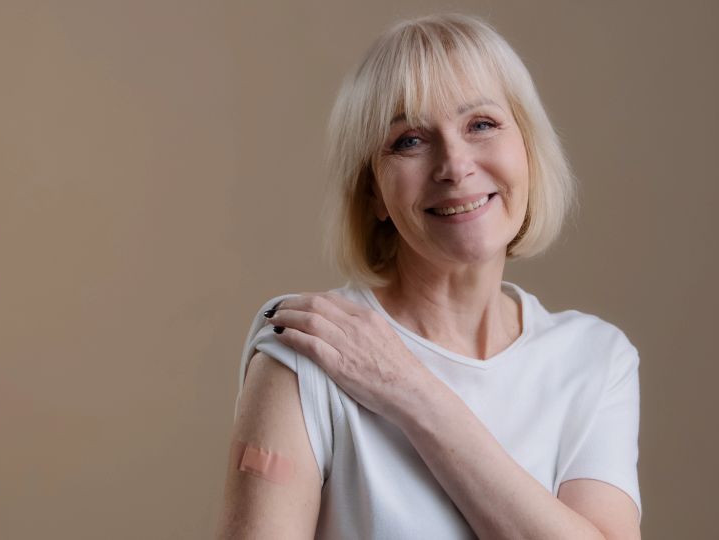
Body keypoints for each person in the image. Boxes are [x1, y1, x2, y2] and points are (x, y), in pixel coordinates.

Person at [218, 13, 642, 540]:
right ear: (372, 192)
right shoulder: (307, 353)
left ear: (528, 151)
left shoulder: (595, 359)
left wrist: (413, 391)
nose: (455, 165)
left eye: (481, 125)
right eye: (409, 141)